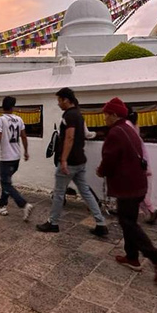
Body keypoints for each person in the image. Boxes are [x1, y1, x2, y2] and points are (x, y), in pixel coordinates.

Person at [97, 97, 157, 285]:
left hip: (127, 185)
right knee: (128, 220)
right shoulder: (129, 128)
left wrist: (101, 171)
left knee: (128, 223)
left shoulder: (115, 133)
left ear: (114, 115)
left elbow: (109, 159)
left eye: (106, 115)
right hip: (138, 183)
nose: (104, 118)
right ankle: (132, 257)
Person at [37, 87, 108, 236]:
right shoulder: (79, 115)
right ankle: (100, 223)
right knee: (85, 192)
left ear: (66, 100)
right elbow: (87, 134)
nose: (58, 104)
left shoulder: (69, 115)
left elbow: (69, 137)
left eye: (59, 100)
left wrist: (63, 159)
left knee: (58, 193)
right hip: (80, 160)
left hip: (69, 162)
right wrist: (100, 133)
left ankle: (53, 222)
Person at [0, 96, 33, 221]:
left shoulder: (0, 120)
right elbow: (24, 137)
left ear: (2, 106)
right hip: (16, 157)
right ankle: (2, 205)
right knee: (7, 181)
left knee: (6, 183)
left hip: (6, 158)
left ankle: (23, 204)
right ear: (13, 107)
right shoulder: (19, 119)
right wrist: (26, 152)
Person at [127, 107, 157, 225]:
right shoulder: (135, 130)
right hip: (142, 165)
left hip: (139, 167)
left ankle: (151, 211)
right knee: (139, 194)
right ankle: (149, 213)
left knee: (140, 195)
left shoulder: (128, 130)